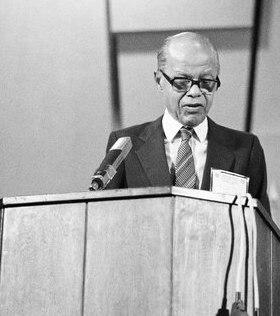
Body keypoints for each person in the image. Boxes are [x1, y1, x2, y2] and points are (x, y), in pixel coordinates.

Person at [103, 31, 271, 213]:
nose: (195, 92)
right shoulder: (126, 145)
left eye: (206, 82)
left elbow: (260, 232)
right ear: (159, 81)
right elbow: (105, 218)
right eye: (182, 82)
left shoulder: (245, 150)